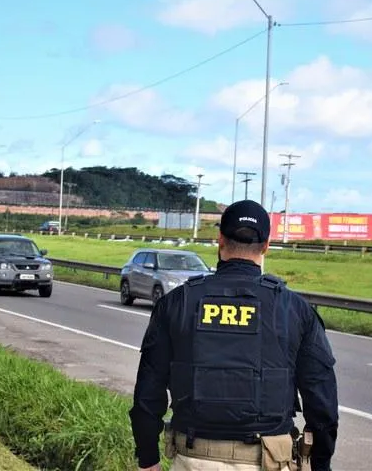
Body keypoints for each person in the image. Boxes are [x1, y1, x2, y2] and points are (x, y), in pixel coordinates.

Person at [129, 199, 339, 471]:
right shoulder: (294, 309)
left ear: (220, 241)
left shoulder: (178, 302)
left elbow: (148, 393)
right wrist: (321, 465)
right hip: (268, 461)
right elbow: (322, 405)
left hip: (193, 459)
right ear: (265, 245)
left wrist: (148, 460)